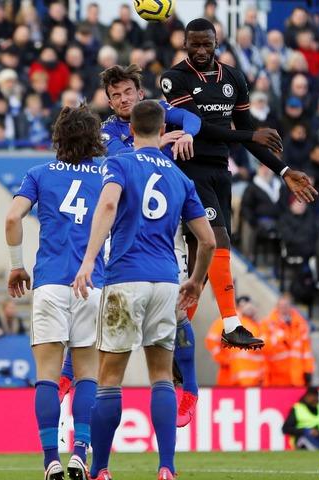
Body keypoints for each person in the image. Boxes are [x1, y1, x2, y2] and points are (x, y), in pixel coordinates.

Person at [72, 100, 215, 480]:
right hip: (167, 283)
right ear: (162, 128)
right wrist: (196, 284)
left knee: (110, 378)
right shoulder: (180, 177)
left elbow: (106, 205)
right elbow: (209, 241)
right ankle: (166, 468)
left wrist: (88, 261)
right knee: (162, 377)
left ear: (130, 129)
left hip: (125, 279)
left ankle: (100, 469)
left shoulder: (118, 163)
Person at [160, 18, 316, 353]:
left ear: (217, 42)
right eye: (194, 44)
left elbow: (249, 136)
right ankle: (231, 324)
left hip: (220, 170)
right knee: (217, 238)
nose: (201, 50)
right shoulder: (174, 78)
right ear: (184, 43)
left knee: (200, 269)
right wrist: (248, 134)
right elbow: (198, 126)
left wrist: (284, 170)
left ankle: (176, 339)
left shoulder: (233, 77)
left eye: (207, 43)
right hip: (189, 169)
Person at [5, 105, 105, 480]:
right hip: (92, 283)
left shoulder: (39, 174)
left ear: (58, 137)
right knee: (87, 376)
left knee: (47, 376)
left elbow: (13, 218)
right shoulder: (107, 175)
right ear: (94, 139)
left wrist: (17, 264)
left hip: (49, 284)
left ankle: (50, 461)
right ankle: (80, 453)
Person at [204, 296, 264, 386]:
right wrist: (224, 360)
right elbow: (211, 340)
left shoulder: (257, 324)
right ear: (240, 305)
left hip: (255, 379)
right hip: (230, 375)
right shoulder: (229, 320)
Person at [259, 294, 314, 387]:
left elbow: (306, 351)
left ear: (290, 307)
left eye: (286, 306)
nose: (283, 309)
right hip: (276, 377)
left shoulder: (301, 324)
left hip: (297, 377)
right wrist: (277, 337)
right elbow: (263, 348)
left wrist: (308, 370)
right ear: (277, 307)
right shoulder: (267, 324)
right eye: (281, 306)